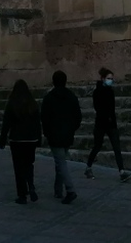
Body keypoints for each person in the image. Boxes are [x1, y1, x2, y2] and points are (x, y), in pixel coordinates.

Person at [83, 67, 131, 183]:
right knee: (97, 146)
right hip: (101, 124)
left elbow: (112, 108)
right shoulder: (97, 92)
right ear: (103, 79)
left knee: (117, 147)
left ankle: (121, 171)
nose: (111, 80)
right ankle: (88, 167)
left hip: (111, 124)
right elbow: (98, 108)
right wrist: (106, 117)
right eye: (109, 78)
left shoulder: (110, 91)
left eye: (112, 78)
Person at [40, 69, 82, 204]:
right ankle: (58, 190)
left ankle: (70, 190)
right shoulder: (72, 97)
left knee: (61, 162)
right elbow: (78, 117)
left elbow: (44, 118)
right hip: (67, 134)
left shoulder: (49, 98)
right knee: (60, 161)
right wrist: (72, 129)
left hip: (55, 135)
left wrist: (47, 133)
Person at [0, 80, 42, 205]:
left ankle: (22, 195)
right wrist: (39, 139)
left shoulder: (12, 104)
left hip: (17, 140)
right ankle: (31, 185)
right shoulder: (32, 104)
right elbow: (37, 124)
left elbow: (6, 123)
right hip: (31, 140)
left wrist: (2, 139)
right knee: (29, 164)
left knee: (18, 168)